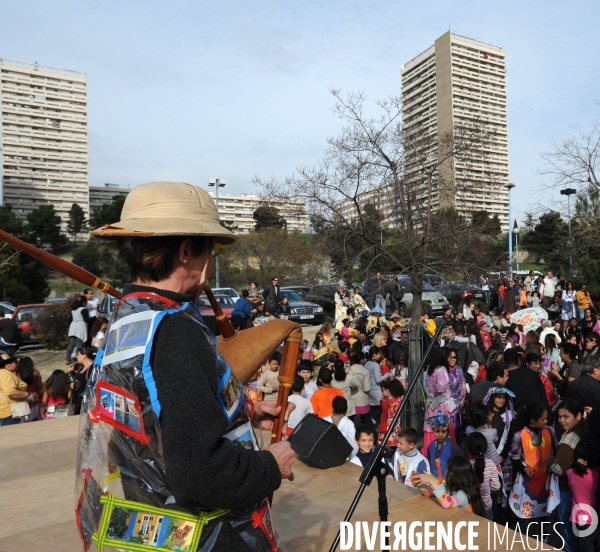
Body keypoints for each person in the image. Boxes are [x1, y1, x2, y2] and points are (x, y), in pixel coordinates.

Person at [83, 181, 295, 550]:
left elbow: (157, 417)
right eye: (208, 251)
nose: (209, 262)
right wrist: (269, 465)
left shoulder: (129, 315)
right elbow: (199, 474)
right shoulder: (174, 329)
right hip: (201, 537)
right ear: (185, 251)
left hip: (152, 526)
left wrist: (237, 411)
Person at [547, 400, 589, 552]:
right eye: (559, 417)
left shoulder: (570, 438)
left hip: (567, 490)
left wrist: (550, 459)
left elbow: (558, 469)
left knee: (568, 528)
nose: (562, 421)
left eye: (566, 416)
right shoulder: (586, 428)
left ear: (578, 415)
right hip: (585, 489)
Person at [508, 402, 556, 522]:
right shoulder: (520, 435)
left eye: (546, 418)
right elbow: (514, 456)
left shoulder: (550, 431)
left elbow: (556, 450)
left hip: (547, 481)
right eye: (543, 419)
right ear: (533, 420)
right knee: (528, 517)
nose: (546, 421)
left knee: (545, 516)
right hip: (528, 482)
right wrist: (523, 469)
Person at [411, 456, 486, 517]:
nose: (445, 471)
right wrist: (418, 483)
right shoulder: (448, 486)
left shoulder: (465, 495)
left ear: (452, 474)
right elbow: (430, 493)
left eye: (447, 469)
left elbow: (448, 503)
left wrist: (431, 481)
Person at [567, 441, 599, 552]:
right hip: (596, 515)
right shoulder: (597, 473)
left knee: (585, 547)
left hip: (580, 518)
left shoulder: (571, 473)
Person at [467, 431, 501, 520]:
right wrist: (486, 486)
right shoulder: (491, 463)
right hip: (487, 506)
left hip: (469, 506)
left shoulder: (466, 464)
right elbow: (496, 486)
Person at [425, 412, 464, 481]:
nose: (440, 435)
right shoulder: (431, 447)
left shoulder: (453, 447)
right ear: (433, 431)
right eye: (437, 431)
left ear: (448, 432)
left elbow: (461, 465)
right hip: (433, 482)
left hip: (449, 483)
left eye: (443, 431)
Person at [0, 353, 36, 426]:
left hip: (3, 411)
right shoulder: (6, 374)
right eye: (15, 362)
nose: (18, 364)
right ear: (7, 364)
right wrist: (27, 395)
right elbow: (11, 392)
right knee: (10, 436)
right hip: (9, 412)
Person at [465, 402, 500, 466]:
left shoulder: (468, 430)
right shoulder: (492, 432)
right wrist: (489, 424)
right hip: (493, 464)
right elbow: (495, 440)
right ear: (486, 418)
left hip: (476, 464)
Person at [364, 346, 391, 428]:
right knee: (381, 407)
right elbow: (378, 380)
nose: (380, 355)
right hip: (376, 390)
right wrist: (388, 374)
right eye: (378, 354)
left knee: (372, 408)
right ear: (374, 354)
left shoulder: (366, 364)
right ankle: (370, 423)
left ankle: (369, 426)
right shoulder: (375, 364)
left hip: (369, 390)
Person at [70, 346, 96, 415]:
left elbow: (93, 384)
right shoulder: (80, 367)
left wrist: (76, 385)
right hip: (79, 401)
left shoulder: (94, 368)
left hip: (89, 402)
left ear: (84, 355)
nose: (77, 357)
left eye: (78, 355)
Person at [378, 379, 405, 447]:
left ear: (388, 391)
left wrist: (382, 432)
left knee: (385, 446)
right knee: (395, 445)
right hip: (396, 427)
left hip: (387, 428)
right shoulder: (398, 400)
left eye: (383, 390)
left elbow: (384, 417)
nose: (382, 392)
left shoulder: (386, 402)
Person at [16, 356, 42, 422]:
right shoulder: (36, 372)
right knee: (34, 416)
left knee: (23, 415)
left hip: (22, 395)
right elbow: (40, 386)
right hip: (34, 396)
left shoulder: (17, 373)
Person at [65, 295, 89, 364]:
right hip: (80, 327)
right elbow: (86, 320)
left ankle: (67, 359)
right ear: (84, 302)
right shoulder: (84, 310)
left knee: (72, 344)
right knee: (79, 344)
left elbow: (71, 319)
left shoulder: (73, 310)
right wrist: (94, 318)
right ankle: (78, 359)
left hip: (73, 326)